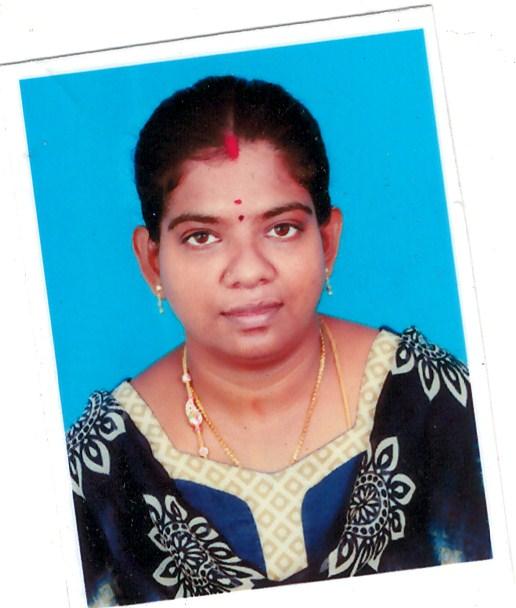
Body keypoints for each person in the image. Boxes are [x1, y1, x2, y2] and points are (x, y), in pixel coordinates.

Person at [66, 75, 491, 607]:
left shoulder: (435, 401)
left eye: (282, 228)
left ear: (327, 240)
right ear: (152, 260)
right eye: (202, 236)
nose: (249, 271)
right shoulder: (100, 465)